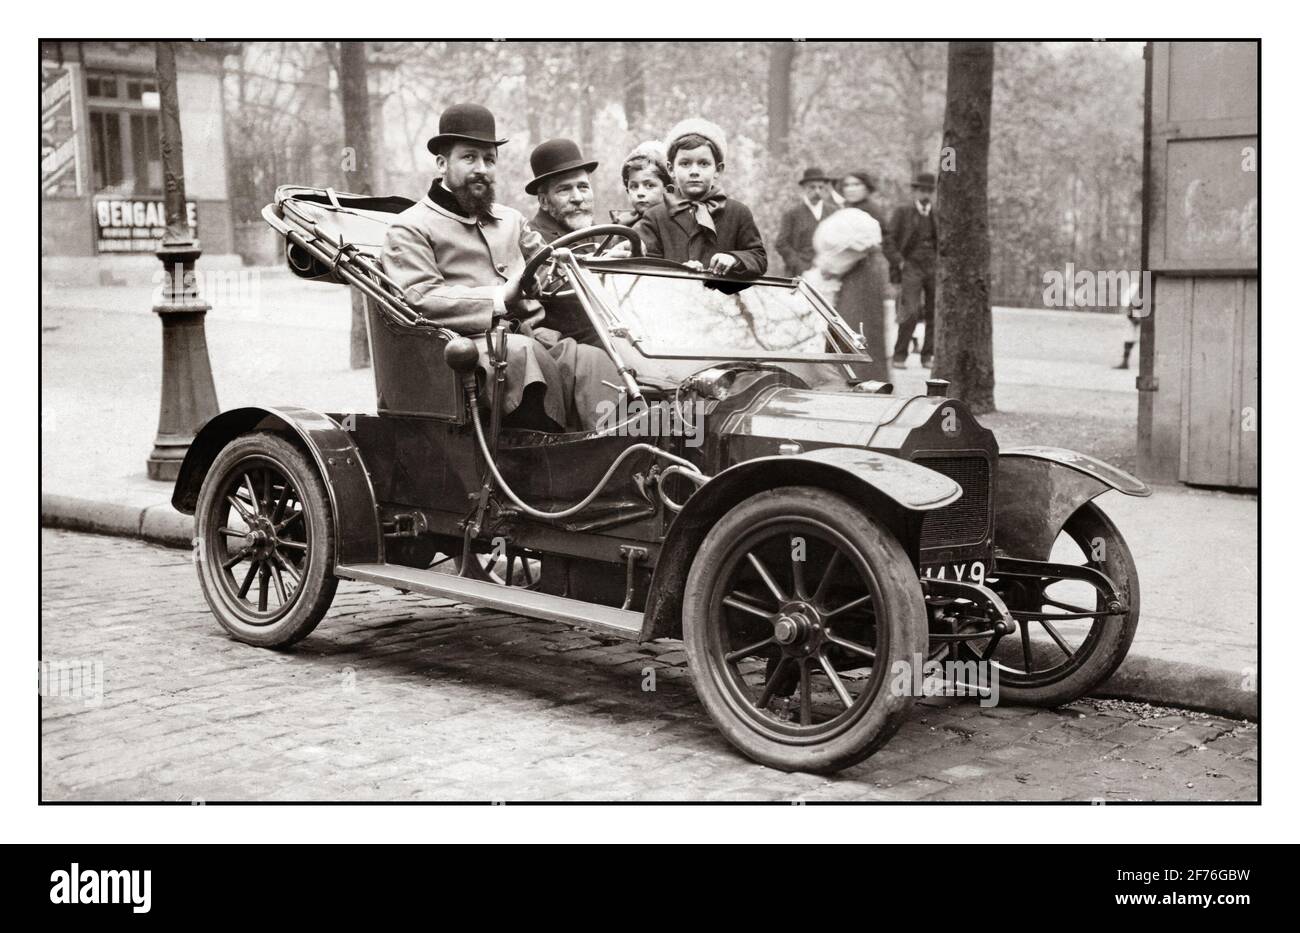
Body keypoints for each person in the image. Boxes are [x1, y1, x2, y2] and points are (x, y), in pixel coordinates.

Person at [381, 104, 618, 432]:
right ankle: (546, 462)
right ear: (441, 163)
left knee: (599, 361)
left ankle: (617, 453)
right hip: (461, 349)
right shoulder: (410, 227)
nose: (482, 168)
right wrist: (500, 296)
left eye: (489, 160)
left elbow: (551, 271)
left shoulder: (511, 220)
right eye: (469, 158)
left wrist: (599, 266)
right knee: (523, 357)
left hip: (530, 338)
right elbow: (420, 297)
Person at [633, 118, 766, 276]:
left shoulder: (738, 213)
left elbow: (758, 257)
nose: (694, 171)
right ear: (671, 169)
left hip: (724, 299)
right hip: (673, 297)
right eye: (685, 163)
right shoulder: (655, 217)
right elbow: (646, 267)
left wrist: (734, 259)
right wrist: (679, 271)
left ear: (718, 169)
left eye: (703, 164)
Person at [807, 170, 890, 382]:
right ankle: (847, 375)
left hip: (864, 272)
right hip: (849, 273)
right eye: (847, 185)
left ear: (867, 187)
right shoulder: (848, 210)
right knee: (846, 321)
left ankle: (865, 377)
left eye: (856, 184)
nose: (851, 189)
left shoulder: (871, 212)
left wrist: (835, 265)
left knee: (861, 323)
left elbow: (867, 245)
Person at [524, 137, 601, 346]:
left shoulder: (605, 235)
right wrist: (604, 269)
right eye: (564, 189)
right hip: (570, 347)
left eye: (583, 187)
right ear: (543, 201)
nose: (577, 197)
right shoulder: (531, 239)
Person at [884, 170, 939, 369]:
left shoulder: (937, 213)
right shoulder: (903, 212)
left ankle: (928, 356)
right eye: (921, 190)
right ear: (915, 192)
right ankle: (899, 356)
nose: (925, 195)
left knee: (935, 312)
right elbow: (888, 240)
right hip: (911, 267)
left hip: (933, 267)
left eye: (929, 191)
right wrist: (899, 261)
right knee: (911, 311)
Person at [775, 167, 839, 277]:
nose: (817, 191)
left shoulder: (833, 212)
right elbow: (781, 243)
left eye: (821, 187)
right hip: (800, 272)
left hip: (827, 271)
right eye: (812, 187)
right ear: (804, 188)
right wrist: (797, 264)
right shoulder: (792, 214)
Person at [610, 141, 671, 225]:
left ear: (667, 189)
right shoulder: (622, 226)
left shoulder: (679, 224)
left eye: (649, 185)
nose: (640, 193)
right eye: (634, 186)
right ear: (627, 191)